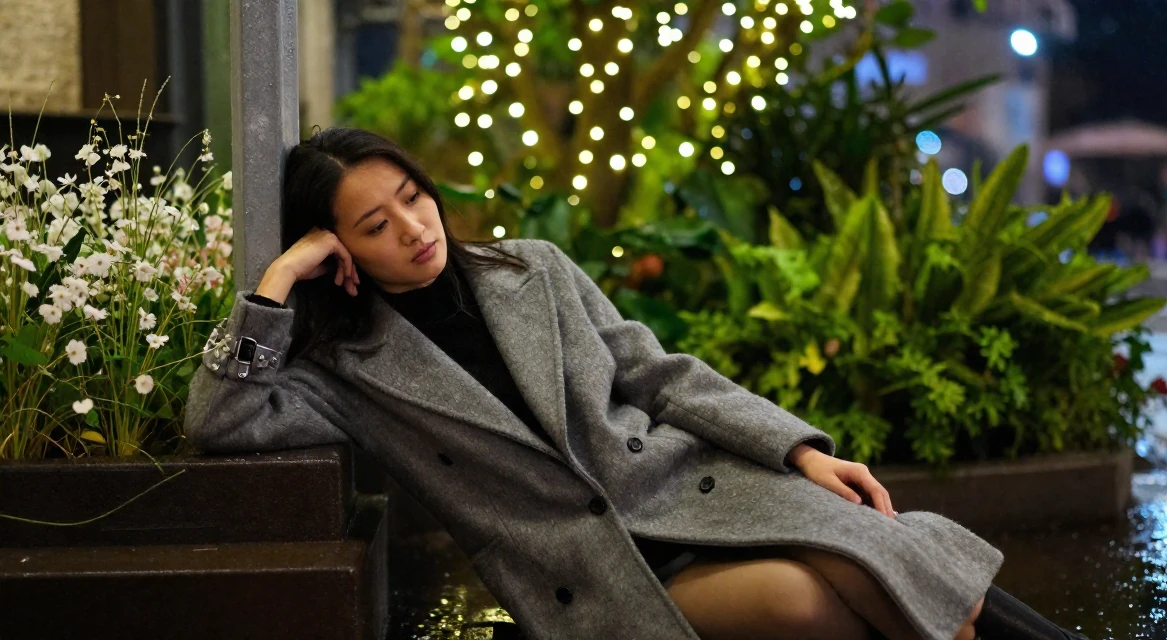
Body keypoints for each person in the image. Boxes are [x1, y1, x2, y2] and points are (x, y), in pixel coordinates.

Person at [185, 128, 1087, 640]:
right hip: (591, 578)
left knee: (884, 547)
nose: (414, 229)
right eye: (374, 226)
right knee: (828, 593)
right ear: (337, 246)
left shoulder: (529, 268)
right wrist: (276, 283)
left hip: (697, 492)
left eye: (415, 197)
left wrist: (801, 450)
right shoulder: (350, 367)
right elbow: (218, 418)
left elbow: (659, 375)